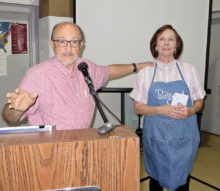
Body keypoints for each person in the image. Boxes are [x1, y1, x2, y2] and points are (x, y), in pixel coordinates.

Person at [1, 22, 152, 130]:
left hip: (82, 145)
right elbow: (9, 117)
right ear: (52, 44)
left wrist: (137, 66)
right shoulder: (38, 75)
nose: (68, 47)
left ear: (81, 45)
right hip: (50, 153)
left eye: (74, 42)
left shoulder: (85, 67)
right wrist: (18, 108)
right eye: (61, 42)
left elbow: (110, 71)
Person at [130, 24, 206, 191]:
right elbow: (138, 108)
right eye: (162, 39)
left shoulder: (189, 70)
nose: (166, 43)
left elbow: (199, 101)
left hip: (184, 139)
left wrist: (191, 110)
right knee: (155, 182)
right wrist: (160, 109)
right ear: (155, 45)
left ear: (176, 45)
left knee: (182, 182)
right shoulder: (146, 73)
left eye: (171, 39)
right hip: (156, 140)